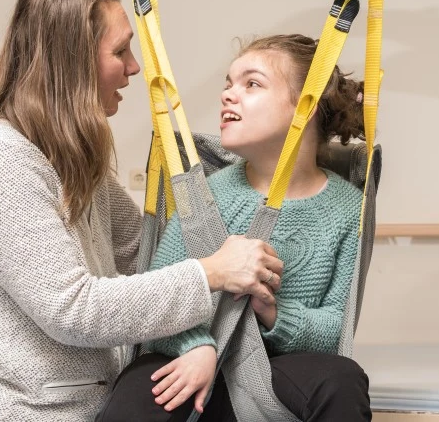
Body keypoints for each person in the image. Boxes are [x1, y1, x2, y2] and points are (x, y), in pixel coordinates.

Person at [0, 0, 284, 422]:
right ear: (72, 62)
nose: (134, 67)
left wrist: (259, 171)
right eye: (120, 51)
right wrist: (213, 272)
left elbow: (148, 253)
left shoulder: (73, 160)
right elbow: (73, 310)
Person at [97, 34, 372, 421]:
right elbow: (157, 298)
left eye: (252, 84)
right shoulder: (203, 194)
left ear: (306, 106)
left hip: (277, 375)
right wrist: (196, 346)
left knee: (342, 379)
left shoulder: (348, 209)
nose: (228, 95)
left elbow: (335, 327)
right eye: (228, 84)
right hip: (195, 364)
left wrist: (274, 312)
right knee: (140, 389)